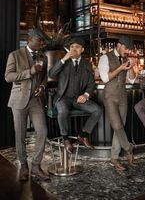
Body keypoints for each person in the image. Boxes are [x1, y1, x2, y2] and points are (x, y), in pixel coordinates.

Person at [5, 28, 49, 181]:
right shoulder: (15, 55)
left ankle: (36, 166)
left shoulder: (43, 57)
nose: (42, 43)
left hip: (35, 100)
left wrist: (42, 87)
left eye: (43, 41)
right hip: (19, 100)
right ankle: (23, 165)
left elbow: (45, 77)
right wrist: (29, 72)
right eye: (40, 40)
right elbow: (8, 77)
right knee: (20, 135)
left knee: (42, 131)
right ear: (30, 39)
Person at [48, 37, 102, 153]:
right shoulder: (63, 61)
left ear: (82, 50)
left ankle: (83, 135)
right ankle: (65, 138)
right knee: (63, 111)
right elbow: (51, 74)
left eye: (77, 47)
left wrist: (86, 95)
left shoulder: (86, 64)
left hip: (78, 98)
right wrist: (64, 59)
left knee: (97, 110)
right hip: (63, 97)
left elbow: (91, 83)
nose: (74, 49)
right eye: (72, 47)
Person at [98, 36, 136, 171]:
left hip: (123, 96)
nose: (127, 51)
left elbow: (131, 80)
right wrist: (120, 68)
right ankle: (128, 147)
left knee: (119, 129)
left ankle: (114, 158)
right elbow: (104, 78)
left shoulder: (126, 58)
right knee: (117, 125)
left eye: (128, 49)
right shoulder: (105, 58)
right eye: (125, 48)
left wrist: (131, 67)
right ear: (119, 45)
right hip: (110, 97)